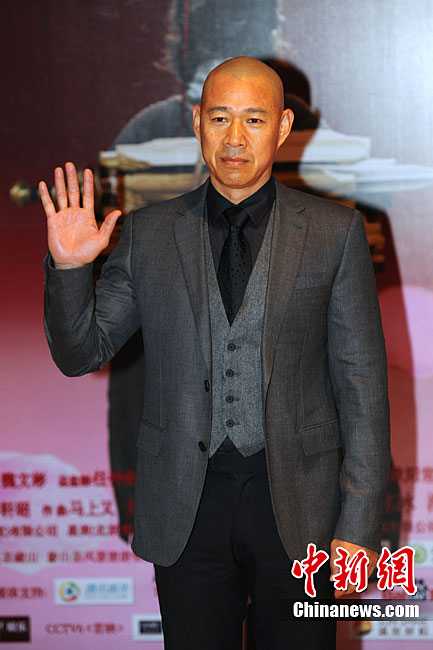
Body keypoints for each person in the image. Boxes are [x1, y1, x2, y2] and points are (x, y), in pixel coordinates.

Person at [40, 57, 390, 650]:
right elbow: (81, 353)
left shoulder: (334, 232)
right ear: (198, 122)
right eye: (221, 117)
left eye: (254, 119)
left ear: (282, 127)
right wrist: (71, 269)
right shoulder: (148, 234)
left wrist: (356, 527)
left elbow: (364, 392)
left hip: (303, 510)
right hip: (186, 507)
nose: (235, 138)